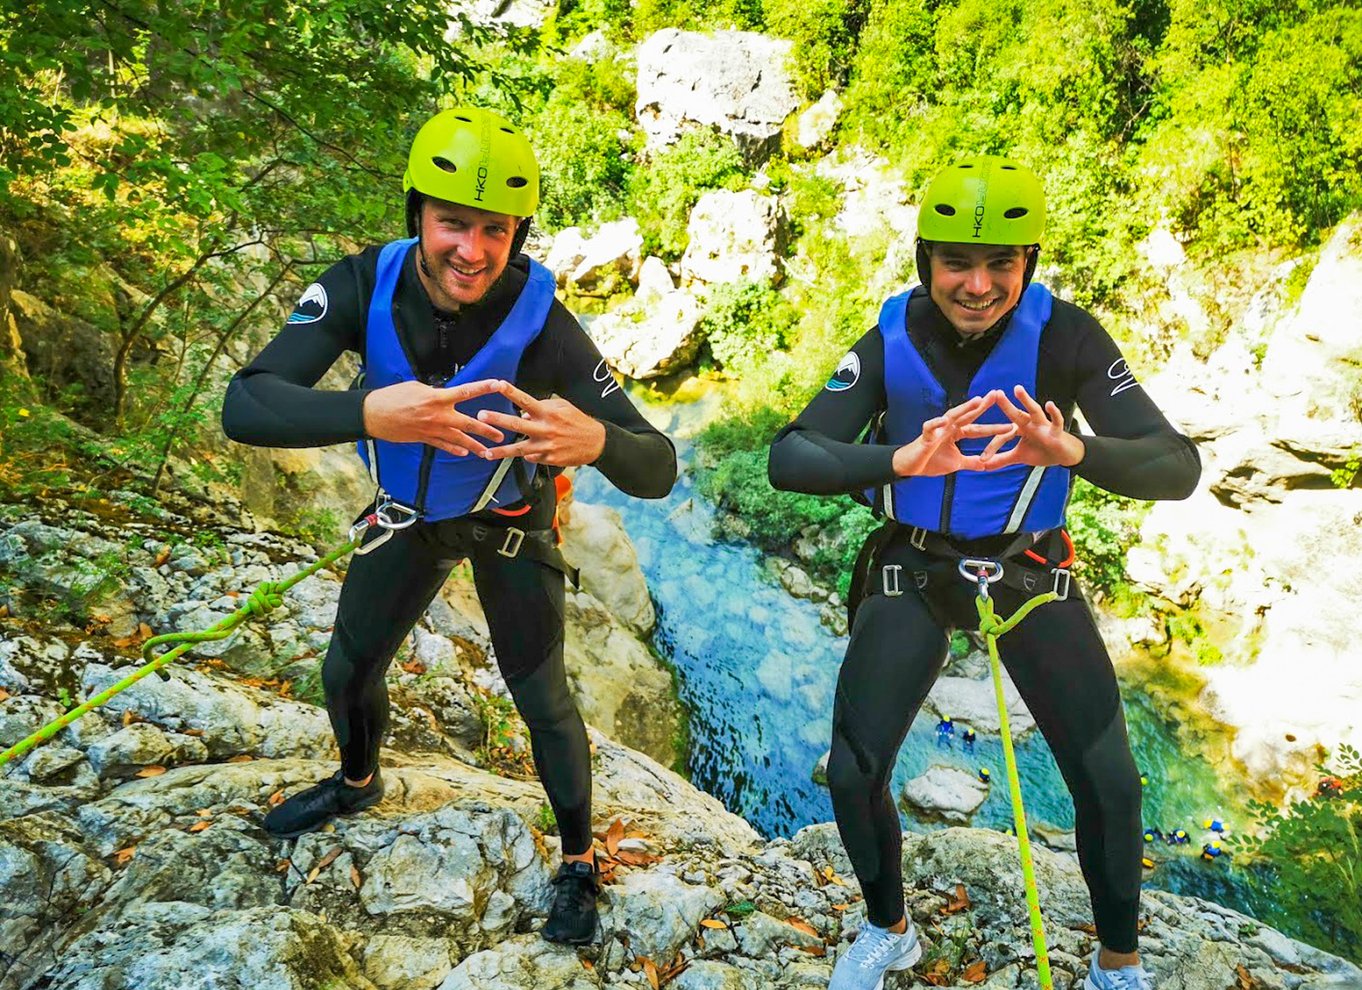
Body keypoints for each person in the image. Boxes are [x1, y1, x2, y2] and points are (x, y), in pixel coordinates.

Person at [222, 106, 677, 945]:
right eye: (453, 223)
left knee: (543, 701)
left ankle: (578, 862)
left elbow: (658, 465)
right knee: (345, 672)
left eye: (494, 231)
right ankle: (359, 781)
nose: (471, 249)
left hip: (508, 522)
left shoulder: (544, 327)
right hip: (407, 517)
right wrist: (369, 411)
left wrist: (596, 438)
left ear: (518, 236)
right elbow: (246, 404)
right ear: (417, 217)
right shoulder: (361, 286)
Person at [768, 155, 1200, 990]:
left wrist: (1071, 449)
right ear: (925, 259)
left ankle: (1117, 965)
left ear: (1027, 262)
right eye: (956, 262)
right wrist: (902, 458)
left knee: (1108, 780)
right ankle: (888, 930)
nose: (977, 284)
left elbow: (1174, 465)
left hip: (1026, 568)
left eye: (1001, 262)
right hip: (917, 566)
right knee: (855, 768)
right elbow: (790, 454)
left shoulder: (1066, 336)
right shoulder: (892, 334)